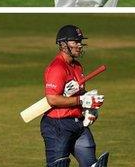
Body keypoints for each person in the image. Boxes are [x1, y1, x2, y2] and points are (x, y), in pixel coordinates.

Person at [41, 25, 108, 167]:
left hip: (78, 123)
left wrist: (89, 109)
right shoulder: (57, 67)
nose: (79, 45)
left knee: (92, 165)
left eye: (80, 42)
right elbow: (52, 99)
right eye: (75, 42)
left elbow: (81, 94)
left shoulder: (77, 66)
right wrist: (81, 100)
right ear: (63, 44)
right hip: (57, 125)